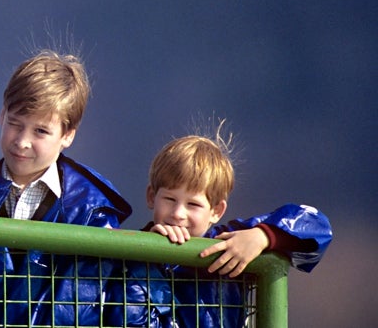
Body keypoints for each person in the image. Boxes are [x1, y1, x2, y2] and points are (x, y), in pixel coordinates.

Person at [0, 49, 133, 327]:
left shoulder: (93, 213)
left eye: (40, 131)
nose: (22, 141)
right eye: (15, 124)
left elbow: (95, 309)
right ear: (1, 115)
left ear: (68, 136)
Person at [123, 125, 333, 327]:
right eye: (169, 199)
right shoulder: (126, 251)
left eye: (193, 204)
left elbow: (317, 226)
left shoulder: (229, 241)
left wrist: (262, 237)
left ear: (216, 211)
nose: (178, 214)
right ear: (151, 197)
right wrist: (146, 262)